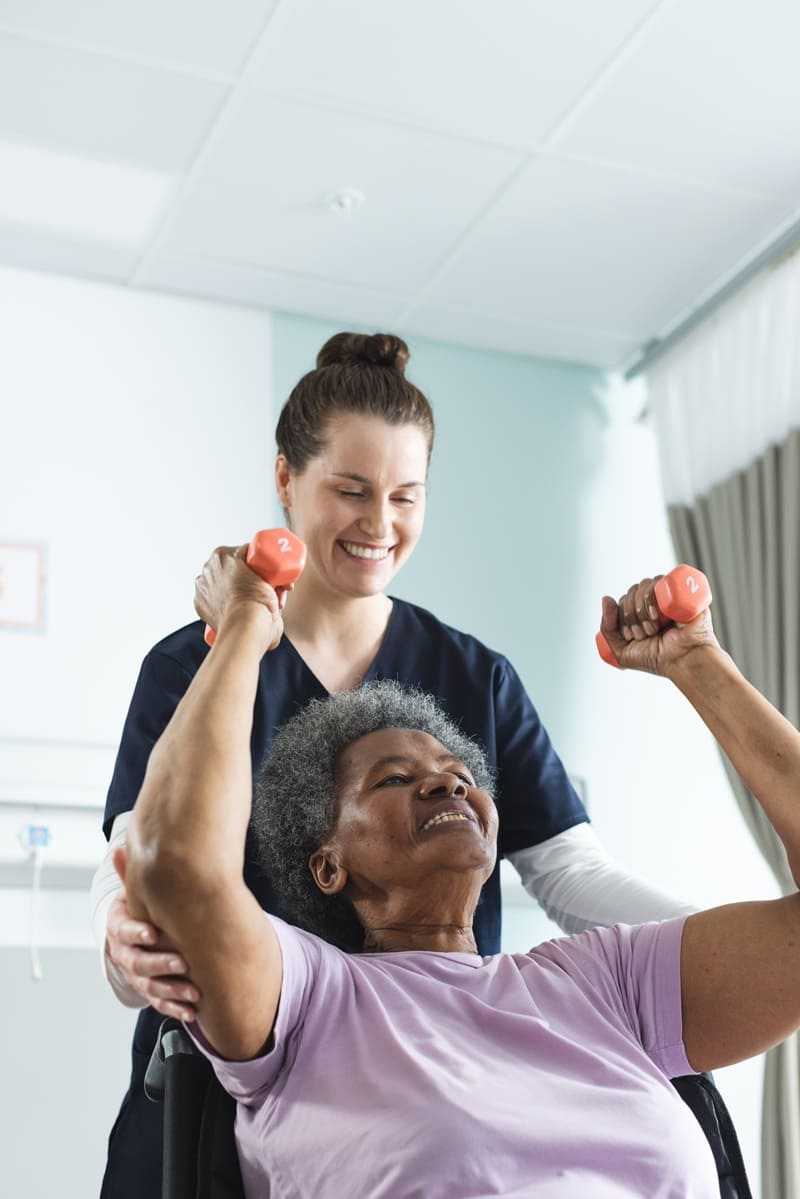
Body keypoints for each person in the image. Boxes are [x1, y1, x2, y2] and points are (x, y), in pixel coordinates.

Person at [92, 333, 691, 1195]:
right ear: (286, 480)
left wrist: (709, 935)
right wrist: (120, 945)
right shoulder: (195, 666)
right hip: (219, 1084)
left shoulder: (474, 674)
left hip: (418, 1100)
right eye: (351, 491)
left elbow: (568, 870)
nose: (380, 525)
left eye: (407, 496)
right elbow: (131, 864)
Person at [115, 554, 800, 1198]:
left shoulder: (605, 981)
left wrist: (700, 662)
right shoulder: (307, 997)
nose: (445, 782)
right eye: (395, 777)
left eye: (461, 773)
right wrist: (241, 627)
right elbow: (176, 862)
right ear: (327, 863)